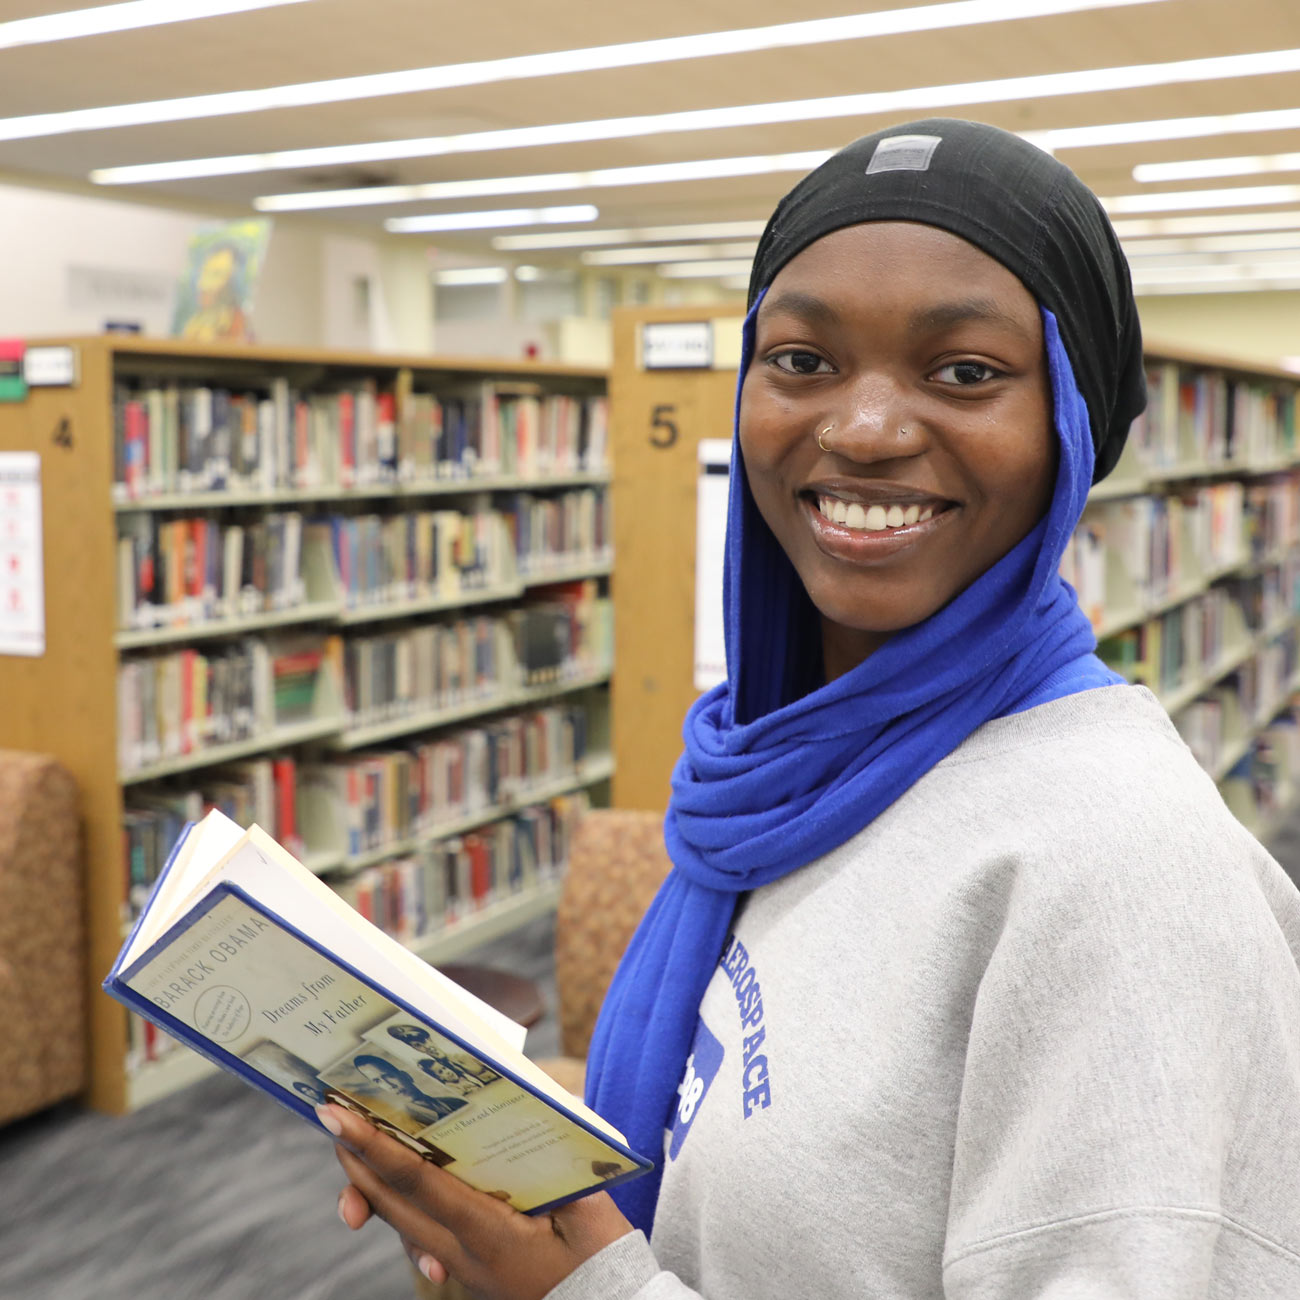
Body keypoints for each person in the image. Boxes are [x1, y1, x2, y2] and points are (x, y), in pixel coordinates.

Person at [316, 118, 1300, 1298]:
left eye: (965, 372)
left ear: (1071, 434)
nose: (865, 429)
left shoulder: (1123, 874)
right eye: (801, 360)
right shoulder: (778, 770)